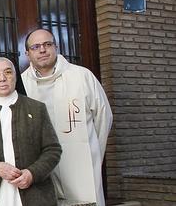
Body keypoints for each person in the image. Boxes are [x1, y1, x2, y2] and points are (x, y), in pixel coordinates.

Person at [21, 28, 113, 206]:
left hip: (81, 163)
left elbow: (104, 117)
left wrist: (93, 153)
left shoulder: (81, 76)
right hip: (41, 164)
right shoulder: (22, 83)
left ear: (56, 47)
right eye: (36, 47)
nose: (42, 50)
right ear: (27, 53)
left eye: (48, 44)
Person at [0, 57, 62, 206]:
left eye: (8, 72)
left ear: (16, 76)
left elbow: (53, 150)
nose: (2, 78)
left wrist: (32, 173)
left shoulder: (36, 108)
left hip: (34, 193)